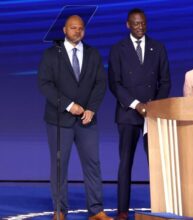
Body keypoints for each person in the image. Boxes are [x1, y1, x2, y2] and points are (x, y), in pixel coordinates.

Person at [37, 15, 112, 220]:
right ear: (64, 30)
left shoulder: (93, 54)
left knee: (93, 165)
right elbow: (44, 84)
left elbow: (100, 84)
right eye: (73, 28)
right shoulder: (52, 54)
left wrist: (92, 109)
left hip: (87, 120)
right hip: (59, 121)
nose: (77, 31)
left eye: (80, 28)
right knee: (60, 166)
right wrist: (69, 106)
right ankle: (60, 211)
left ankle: (96, 211)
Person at [108, 8, 171, 220]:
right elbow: (115, 84)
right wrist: (136, 105)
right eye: (136, 24)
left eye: (143, 23)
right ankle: (123, 210)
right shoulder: (118, 49)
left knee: (156, 164)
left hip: (152, 115)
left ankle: (160, 208)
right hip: (128, 114)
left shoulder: (158, 48)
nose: (140, 27)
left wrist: (152, 106)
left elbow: (165, 81)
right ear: (128, 25)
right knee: (125, 163)